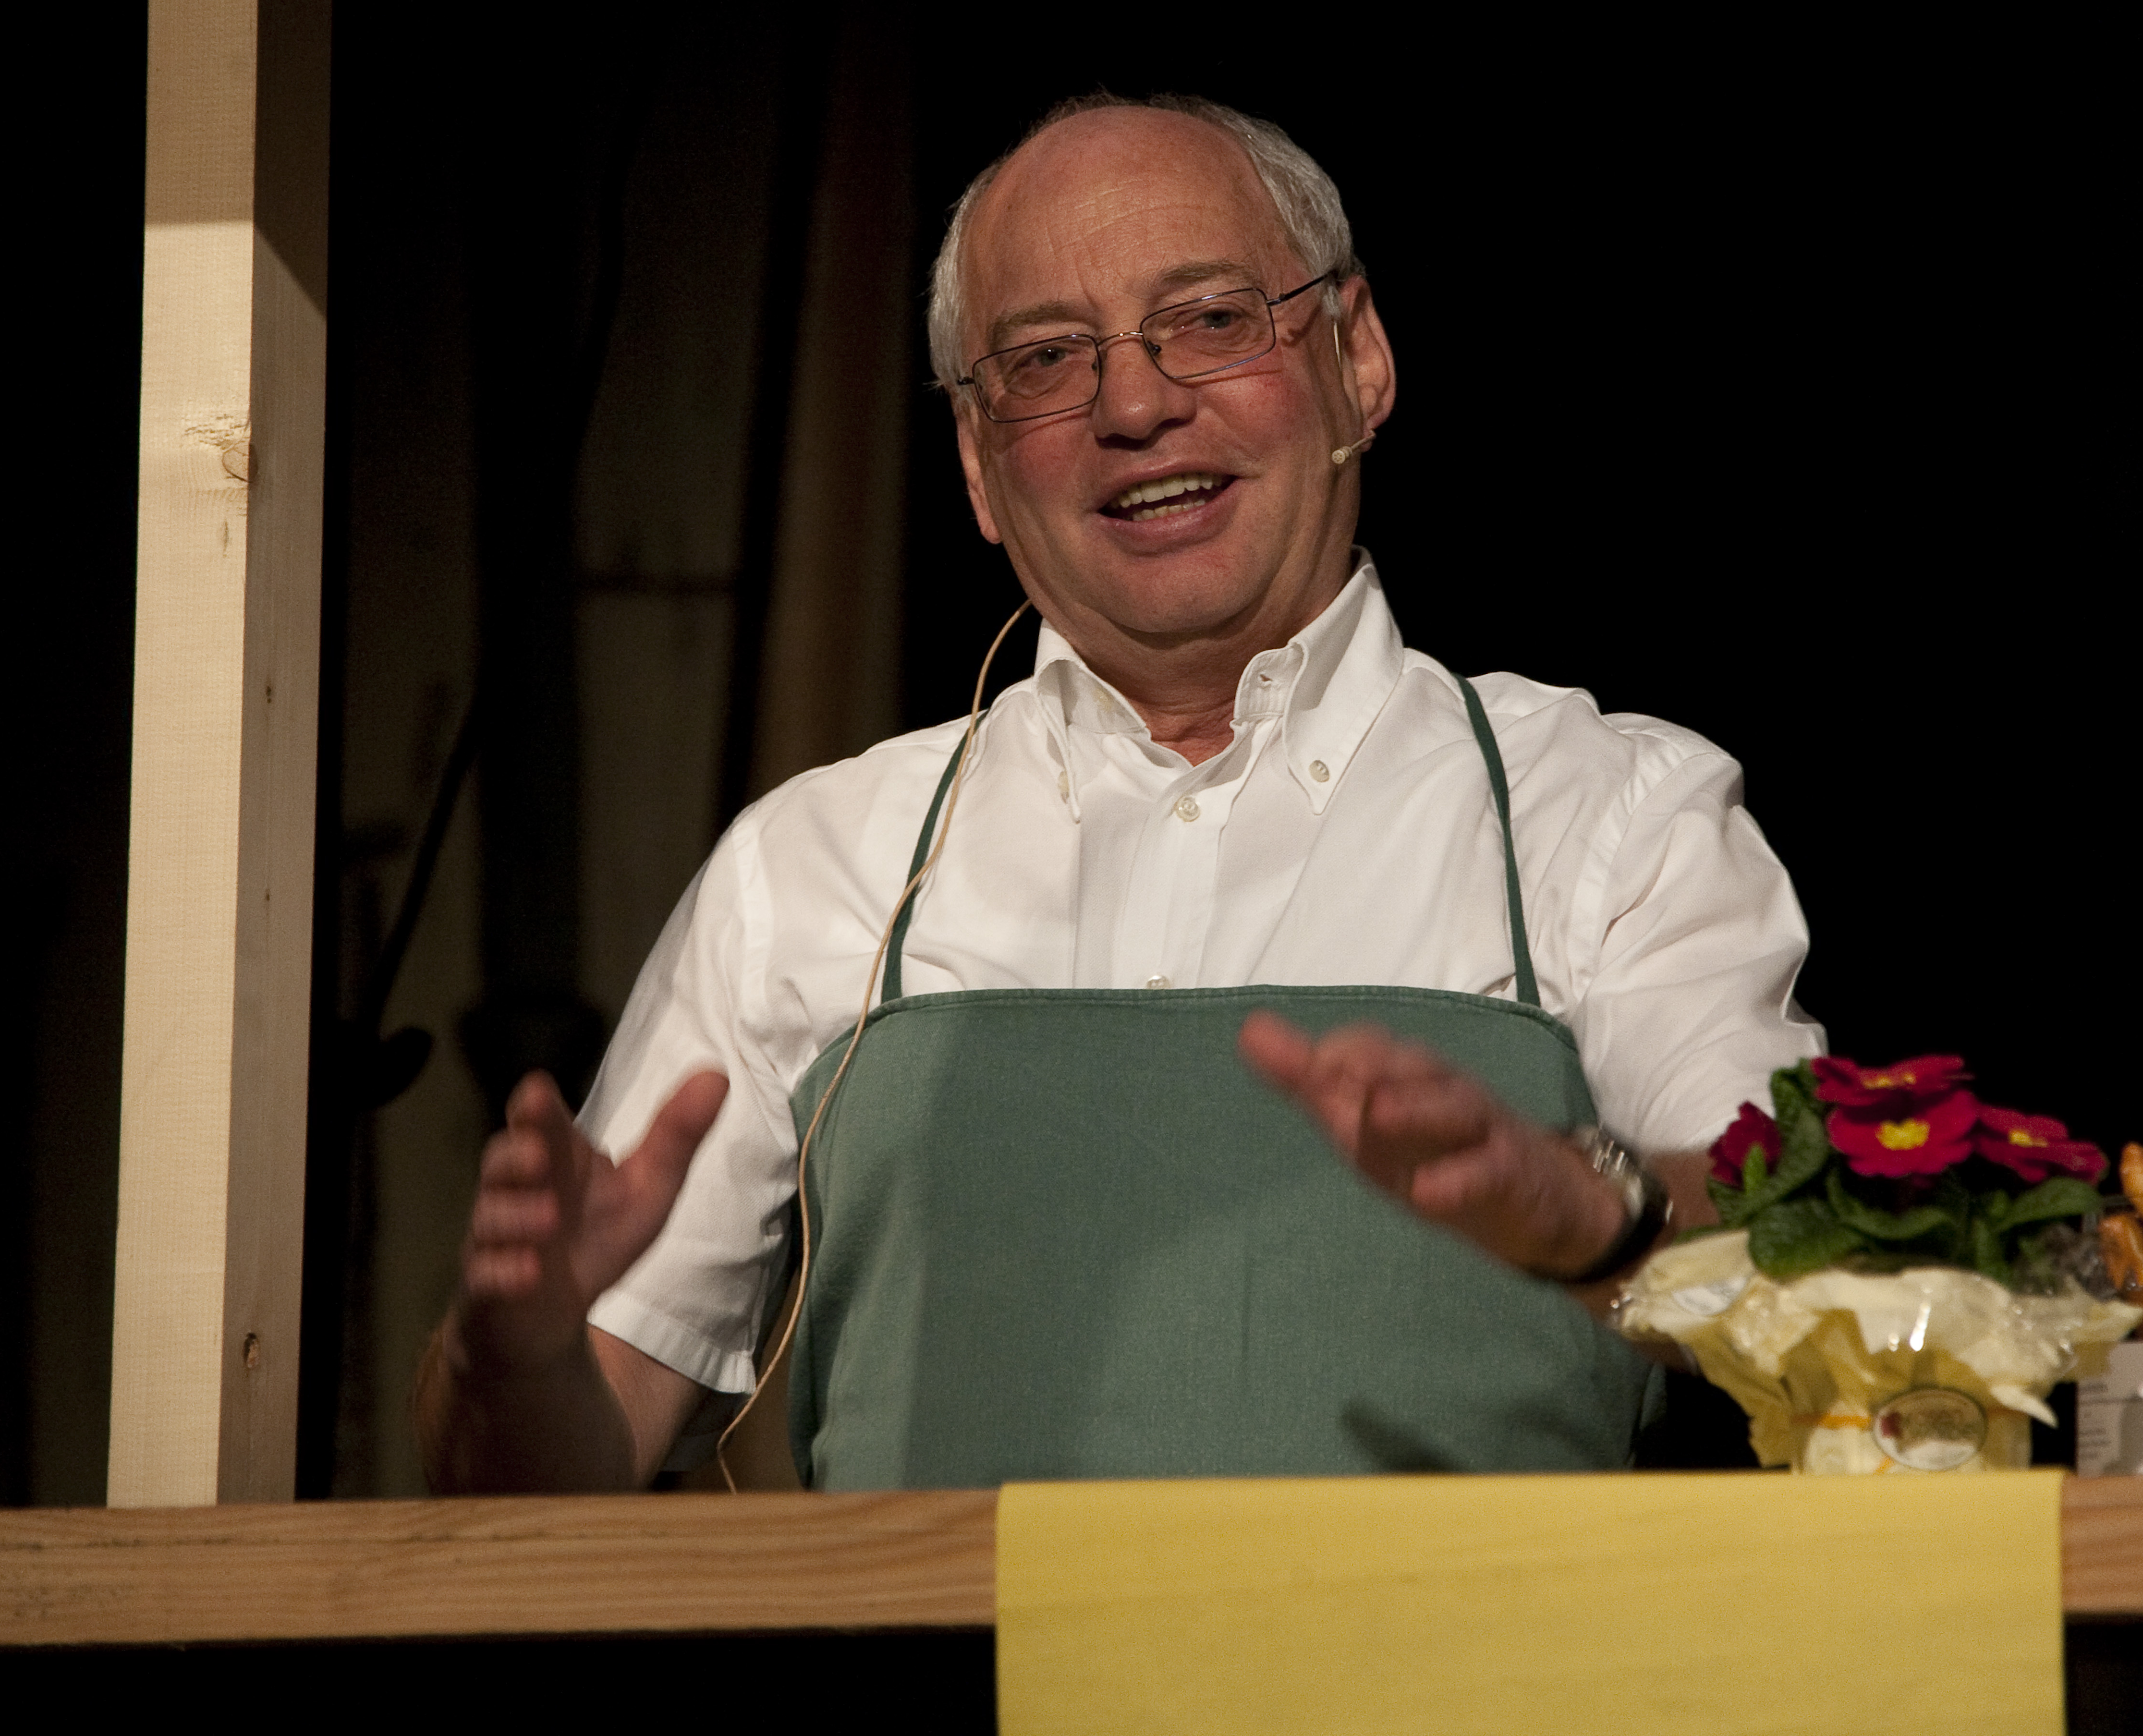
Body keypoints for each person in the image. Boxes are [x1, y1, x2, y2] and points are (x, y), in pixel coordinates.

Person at [415, 94, 1823, 1493]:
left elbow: (1815, 1276)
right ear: (978, 463)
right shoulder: (814, 866)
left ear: (1359, 358)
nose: (1137, 406)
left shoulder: (1608, 815)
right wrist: (514, 1361)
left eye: (1211, 320)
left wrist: (1597, 1214)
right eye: (1045, 360)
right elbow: (532, 1480)